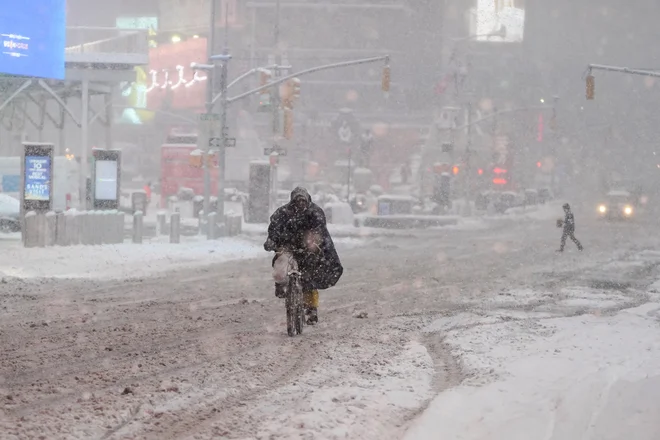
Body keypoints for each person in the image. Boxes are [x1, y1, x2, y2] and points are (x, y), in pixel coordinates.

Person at [264, 187, 343, 325]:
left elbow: (320, 231)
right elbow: (274, 228)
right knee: (280, 267)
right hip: (287, 246)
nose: (300, 204)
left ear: (308, 200)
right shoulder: (282, 213)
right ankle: (280, 285)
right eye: (297, 201)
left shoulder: (315, 213)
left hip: (308, 249)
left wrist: (315, 245)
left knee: (309, 279)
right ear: (292, 201)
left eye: (303, 201)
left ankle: (311, 309)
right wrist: (272, 240)